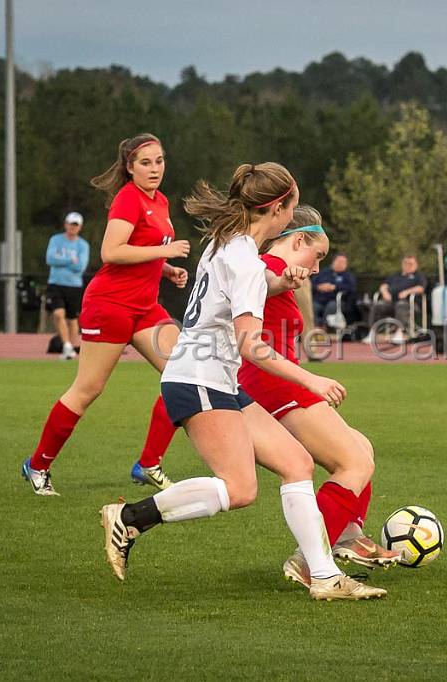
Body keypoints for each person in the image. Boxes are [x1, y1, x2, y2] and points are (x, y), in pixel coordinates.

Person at [98, 162, 385, 601]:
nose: (295, 211)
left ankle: (325, 577)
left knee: (296, 463)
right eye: (293, 203)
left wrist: (278, 280)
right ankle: (130, 517)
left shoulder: (226, 242)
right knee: (239, 488)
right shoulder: (245, 258)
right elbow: (252, 345)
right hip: (199, 378)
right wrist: (310, 378)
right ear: (280, 210)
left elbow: (239, 287)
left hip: (216, 378)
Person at [238, 206, 400, 587]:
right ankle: (311, 560)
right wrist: (310, 378)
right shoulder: (266, 267)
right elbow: (266, 279)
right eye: (318, 255)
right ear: (297, 241)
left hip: (275, 381)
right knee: (355, 463)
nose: (316, 265)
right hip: (276, 382)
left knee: (361, 447)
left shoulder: (272, 269)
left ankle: (346, 535)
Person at [20, 133, 189, 496]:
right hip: (110, 305)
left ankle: (148, 464)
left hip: (145, 306)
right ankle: (38, 465)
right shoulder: (129, 199)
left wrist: (165, 268)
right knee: (88, 389)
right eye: (145, 162)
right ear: (130, 167)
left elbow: (145, 249)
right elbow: (112, 252)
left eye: (159, 160)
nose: (155, 168)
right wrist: (169, 251)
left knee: (186, 374)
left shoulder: (160, 200)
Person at [45, 211, 90, 360]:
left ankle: (69, 347)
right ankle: (66, 345)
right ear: (65, 224)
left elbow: (80, 267)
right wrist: (70, 260)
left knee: (72, 319)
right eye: (71, 224)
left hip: (74, 286)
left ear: (80, 227)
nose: (73, 227)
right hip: (55, 283)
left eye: (76, 225)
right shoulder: (56, 240)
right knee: (58, 314)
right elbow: (51, 259)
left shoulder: (83, 245)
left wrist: (62, 260)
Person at [367, 254, 427, 340]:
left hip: (409, 303)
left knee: (400, 305)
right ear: (402, 264)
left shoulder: (419, 276)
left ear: (416, 264)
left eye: (411, 263)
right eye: (406, 263)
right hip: (391, 302)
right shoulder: (395, 275)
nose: (408, 265)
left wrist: (407, 292)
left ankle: (400, 332)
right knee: (377, 305)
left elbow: (421, 288)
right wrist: (385, 292)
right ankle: (372, 332)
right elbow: (384, 285)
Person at [312, 252, 357, 326]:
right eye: (339, 262)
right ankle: (313, 329)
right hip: (319, 300)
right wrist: (319, 287)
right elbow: (312, 284)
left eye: (344, 262)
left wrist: (335, 287)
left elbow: (351, 289)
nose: (341, 264)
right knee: (313, 306)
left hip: (337, 301)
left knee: (331, 306)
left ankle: (324, 327)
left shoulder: (348, 276)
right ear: (333, 262)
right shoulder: (324, 273)